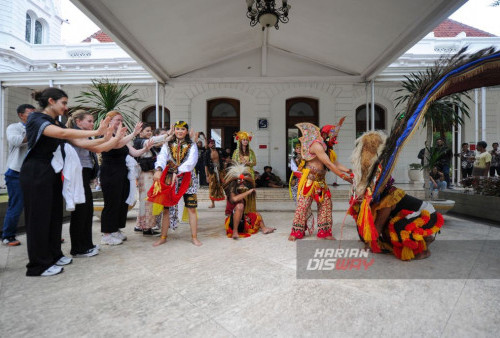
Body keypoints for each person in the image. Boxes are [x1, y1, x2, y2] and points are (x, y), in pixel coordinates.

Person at [20, 88, 115, 276]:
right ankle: (38, 265)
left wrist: (107, 137)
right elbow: (62, 135)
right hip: (36, 172)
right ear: (50, 101)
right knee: (39, 219)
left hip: (52, 171)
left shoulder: (56, 122)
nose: (66, 106)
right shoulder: (36, 119)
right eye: (63, 102)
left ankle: (53, 255)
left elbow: (83, 144)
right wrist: (98, 130)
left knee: (53, 217)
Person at [349, 131, 444, 261]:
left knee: (399, 227)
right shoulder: (381, 194)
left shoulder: (388, 198)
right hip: (419, 213)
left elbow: (378, 225)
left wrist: (369, 245)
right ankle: (426, 238)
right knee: (390, 229)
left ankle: (423, 248)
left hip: (428, 215)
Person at [66, 110, 123, 257]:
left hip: (84, 175)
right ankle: (79, 248)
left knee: (86, 212)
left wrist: (111, 137)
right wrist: (107, 136)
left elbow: (98, 147)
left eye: (93, 121)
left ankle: (87, 245)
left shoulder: (87, 134)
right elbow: (95, 147)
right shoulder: (73, 133)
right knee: (80, 212)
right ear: (78, 121)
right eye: (89, 121)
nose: (92, 124)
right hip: (78, 175)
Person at [289, 120, 353, 241]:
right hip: (309, 180)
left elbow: (336, 164)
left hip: (321, 182)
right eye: (333, 135)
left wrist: (350, 171)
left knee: (326, 205)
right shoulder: (317, 145)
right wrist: (344, 177)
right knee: (303, 206)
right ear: (325, 135)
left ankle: (324, 232)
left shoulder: (327, 149)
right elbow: (328, 164)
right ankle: (296, 231)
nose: (335, 138)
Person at [99, 111, 153, 246]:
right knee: (111, 202)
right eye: (117, 120)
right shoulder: (105, 134)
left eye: (121, 120)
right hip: (110, 172)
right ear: (109, 121)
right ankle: (106, 234)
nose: (120, 122)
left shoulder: (122, 136)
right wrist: (134, 133)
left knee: (121, 202)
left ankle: (115, 229)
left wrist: (146, 149)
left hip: (122, 172)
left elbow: (134, 152)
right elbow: (115, 144)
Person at [151, 121, 202, 247]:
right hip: (170, 179)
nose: (180, 131)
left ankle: (194, 237)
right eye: (177, 129)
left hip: (187, 179)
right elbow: (162, 158)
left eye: (183, 129)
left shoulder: (192, 145)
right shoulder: (167, 144)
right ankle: (163, 237)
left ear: (186, 131)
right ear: (174, 130)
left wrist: (177, 171)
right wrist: (158, 169)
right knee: (166, 209)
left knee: (191, 207)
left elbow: (191, 162)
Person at [2, 104, 35, 246]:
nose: (34, 116)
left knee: (38, 205)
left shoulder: (39, 128)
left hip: (34, 173)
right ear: (21, 115)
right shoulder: (13, 128)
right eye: (30, 114)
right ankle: (8, 236)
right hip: (16, 172)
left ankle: (41, 235)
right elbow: (17, 141)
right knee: (16, 205)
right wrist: (34, 129)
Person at [133, 123, 168, 235]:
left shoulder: (146, 142)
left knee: (147, 200)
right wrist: (167, 134)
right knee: (147, 200)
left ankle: (140, 225)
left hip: (148, 174)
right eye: (147, 131)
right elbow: (153, 141)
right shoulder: (139, 141)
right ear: (140, 132)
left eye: (150, 131)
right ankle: (147, 228)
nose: (149, 132)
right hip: (145, 174)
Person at [223, 164, 275, 239]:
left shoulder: (244, 188)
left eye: (243, 181)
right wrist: (247, 192)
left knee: (257, 214)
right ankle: (235, 231)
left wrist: (244, 178)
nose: (241, 182)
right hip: (232, 220)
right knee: (239, 206)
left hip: (242, 219)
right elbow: (234, 199)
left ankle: (264, 229)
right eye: (239, 180)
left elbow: (251, 183)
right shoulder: (232, 190)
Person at [205, 138, 225, 208]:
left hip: (220, 170)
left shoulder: (219, 150)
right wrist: (207, 176)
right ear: (208, 145)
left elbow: (224, 160)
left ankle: (229, 201)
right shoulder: (207, 153)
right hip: (212, 171)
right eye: (211, 143)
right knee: (212, 187)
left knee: (223, 185)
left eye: (213, 143)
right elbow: (206, 165)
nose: (212, 144)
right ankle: (212, 203)